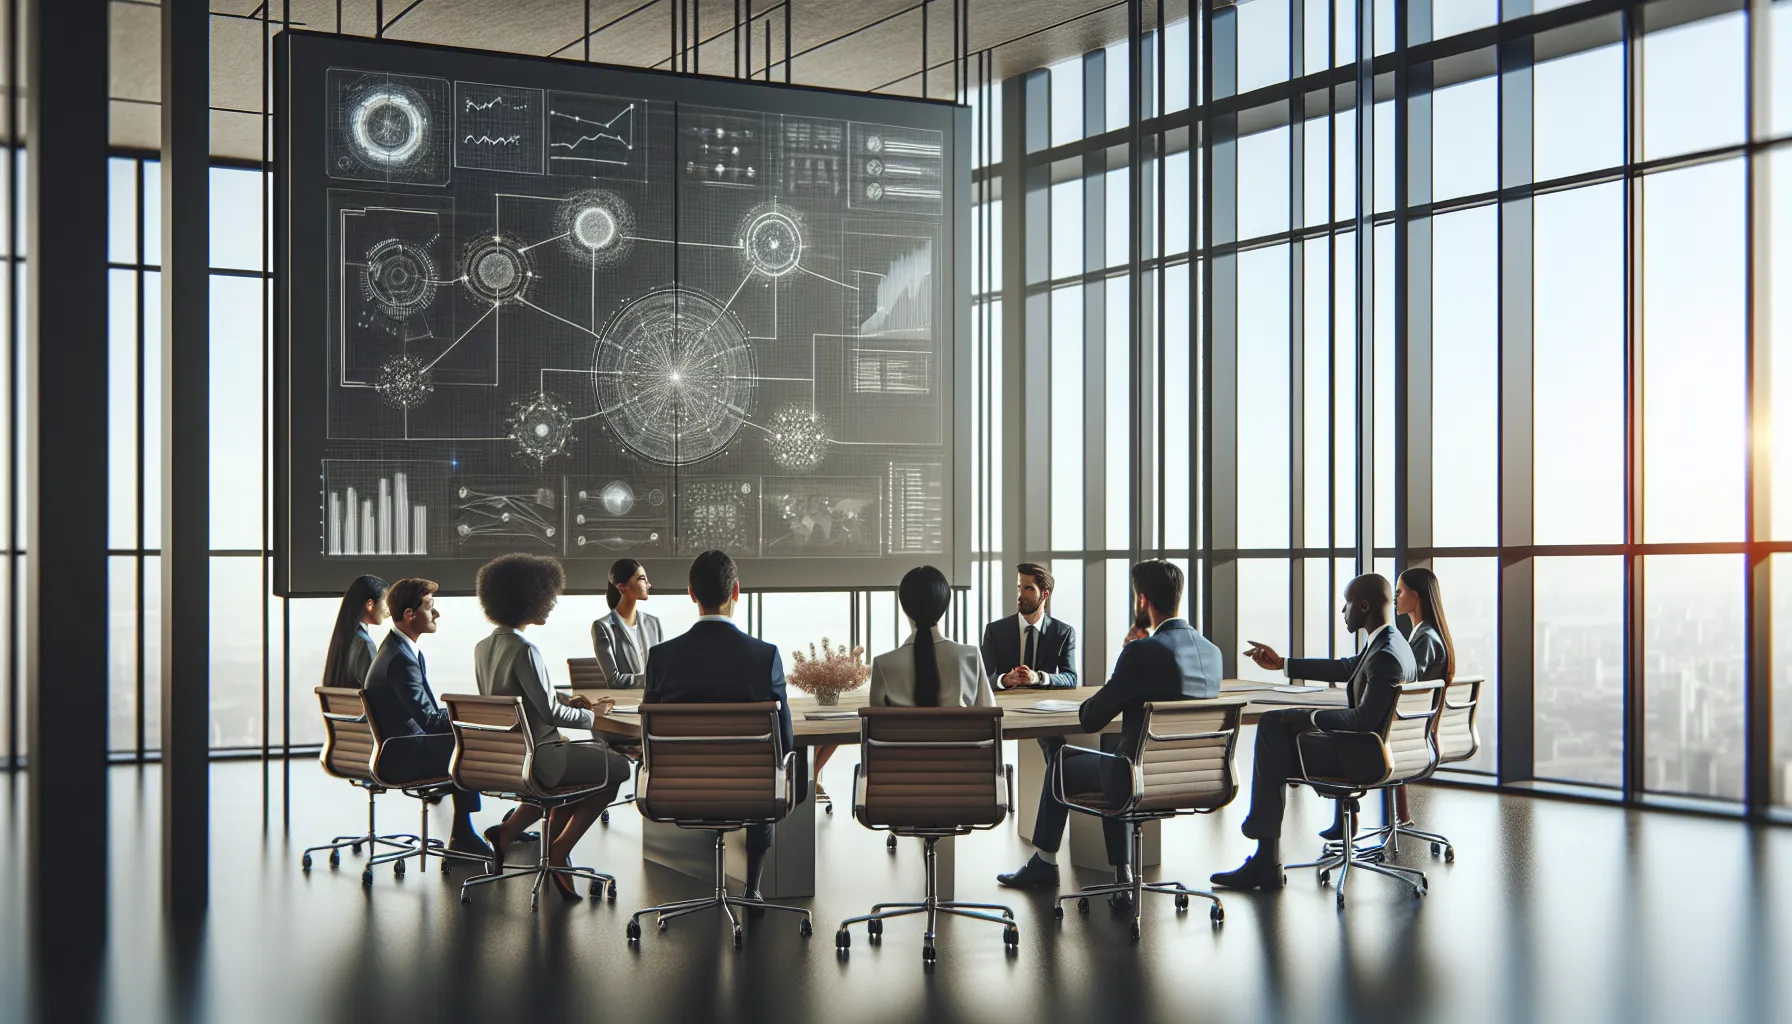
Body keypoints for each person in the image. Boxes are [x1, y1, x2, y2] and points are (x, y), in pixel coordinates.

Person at [998, 560, 1222, 898]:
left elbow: (1091, 717)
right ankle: (1123, 871)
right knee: (1115, 749)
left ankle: (1047, 861)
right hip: (1194, 779)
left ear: (1143, 601)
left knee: (1060, 756)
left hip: (1136, 780)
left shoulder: (1141, 652)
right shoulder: (1212, 653)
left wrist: (1128, 655)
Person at [1211, 573, 1417, 892]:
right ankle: (1266, 852)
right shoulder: (1392, 644)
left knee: (1271, 728)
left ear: (1363, 606)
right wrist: (1284, 664)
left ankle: (1266, 858)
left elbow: (1363, 720)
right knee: (1279, 730)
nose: (1343, 612)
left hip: (1363, 758)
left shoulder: (1386, 655)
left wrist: (1309, 717)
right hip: (1382, 752)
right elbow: (1346, 667)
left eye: (1347, 604)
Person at [642, 550, 803, 904]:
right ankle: (752, 887)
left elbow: (650, 733)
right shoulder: (765, 656)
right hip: (749, 791)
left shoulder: (662, 657)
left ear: (691, 594)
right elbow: (785, 740)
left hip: (679, 789)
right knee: (770, 776)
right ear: (736, 592)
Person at [474, 554, 631, 903]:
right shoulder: (526, 649)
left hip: (510, 756)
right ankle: (558, 853)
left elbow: (520, 697)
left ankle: (509, 832)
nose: (553, 601)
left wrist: (565, 699)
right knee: (617, 767)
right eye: (549, 594)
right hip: (541, 758)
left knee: (580, 773)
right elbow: (549, 711)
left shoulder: (483, 648)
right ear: (529, 597)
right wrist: (595, 715)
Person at [361, 578, 492, 859]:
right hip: (402, 755)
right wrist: (469, 716)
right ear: (410, 615)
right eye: (430, 607)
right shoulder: (400, 659)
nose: (437, 614)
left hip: (402, 745)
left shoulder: (399, 648)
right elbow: (430, 722)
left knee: (467, 736)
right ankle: (467, 834)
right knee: (473, 742)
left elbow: (427, 716)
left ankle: (465, 831)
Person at [869, 565, 996, 709]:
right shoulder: (970, 656)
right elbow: (989, 715)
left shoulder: (883, 664)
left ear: (904, 608)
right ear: (944, 606)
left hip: (906, 733)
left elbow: (877, 726)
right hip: (960, 732)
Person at [1390, 566, 1455, 824]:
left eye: (1400, 592)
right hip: (1417, 729)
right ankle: (1401, 817)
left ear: (1416, 596)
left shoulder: (1426, 638)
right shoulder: (1426, 634)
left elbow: (1408, 682)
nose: (1396, 598)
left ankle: (1347, 821)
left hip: (1413, 733)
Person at [980, 563, 1078, 690]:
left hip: (1045, 706)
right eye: (1019, 588)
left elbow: (1070, 678)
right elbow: (982, 678)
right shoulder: (995, 631)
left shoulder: (1063, 633)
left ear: (1045, 595)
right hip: (1006, 705)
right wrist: (1004, 680)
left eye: (1029, 588)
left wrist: (1039, 678)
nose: (1020, 595)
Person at [590, 558, 663, 689]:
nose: (648, 584)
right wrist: (653, 680)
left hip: (655, 700)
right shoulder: (602, 626)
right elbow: (614, 680)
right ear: (622, 587)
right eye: (641, 578)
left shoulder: (653, 623)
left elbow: (663, 668)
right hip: (625, 703)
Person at [322, 575, 387, 689]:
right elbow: (375, 695)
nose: (388, 610)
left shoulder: (341, 640)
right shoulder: (365, 645)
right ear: (370, 604)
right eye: (386, 603)